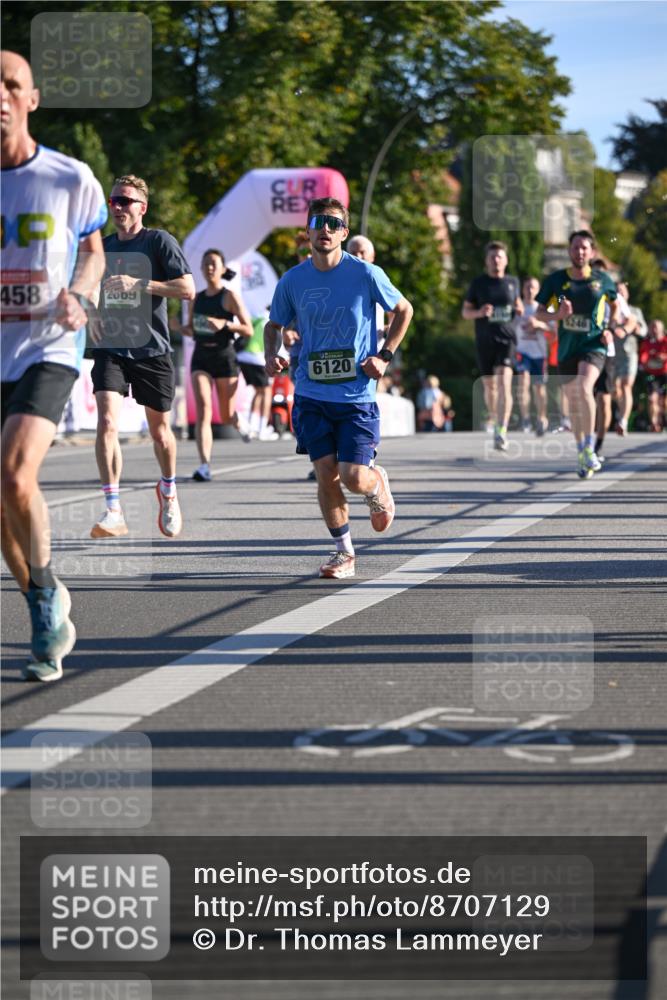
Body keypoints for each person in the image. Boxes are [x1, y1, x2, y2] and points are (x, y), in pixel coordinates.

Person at [1, 50, 107, 681]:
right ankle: (43, 598)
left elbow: (94, 251)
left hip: (49, 345)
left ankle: (43, 596)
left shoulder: (69, 177)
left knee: (15, 475)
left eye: (11, 84)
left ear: (31, 99)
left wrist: (82, 294)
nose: (0, 94)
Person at [264, 197, 413, 579]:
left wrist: (384, 356)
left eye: (333, 224)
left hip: (355, 395)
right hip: (311, 394)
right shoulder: (293, 280)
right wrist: (271, 354)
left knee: (353, 476)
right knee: (325, 473)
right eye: (319, 222)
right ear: (308, 230)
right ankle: (344, 552)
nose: (325, 230)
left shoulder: (365, 273)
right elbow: (273, 325)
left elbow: (404, 310)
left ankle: (376, 485)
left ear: (344, 233)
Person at [90, 174, 195, 536]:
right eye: (113, 201)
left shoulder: (158, 241)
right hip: (111, 347)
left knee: (161, 433)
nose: (118, 207)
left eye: (125, 201)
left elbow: (187, 288)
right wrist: (90, 313)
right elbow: (88, 287)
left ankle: (168, 488)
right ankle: (113, 509)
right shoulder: (102, 247)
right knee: (106, 422)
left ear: (142, 207)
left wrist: (141, 284)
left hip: (152, 349)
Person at [535, 231, 618, 479]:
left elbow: (615, 305)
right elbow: (540, 312)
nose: (579, 252)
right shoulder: (557, 281)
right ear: (569, 251)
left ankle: (590, 447)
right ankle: (582, 448)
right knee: (573, 401)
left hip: (594, 344)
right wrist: (558, 315)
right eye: (575, 247)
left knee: (584, 387)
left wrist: (610, 329)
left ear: (592, 252)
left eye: (584, 248)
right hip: (567, 348)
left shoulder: (602, 280)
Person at [180, 249, 253, 481]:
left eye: (214, 263)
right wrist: (178, 327)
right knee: (203, 409)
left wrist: (225, 324)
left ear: (222, 269)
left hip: (224, 356)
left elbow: (248, 329)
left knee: (226, 415)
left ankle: (238, 421)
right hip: (201, 355)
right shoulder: (196, 298)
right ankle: (204, 466)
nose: (210, 267)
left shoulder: (229, 296)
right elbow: (192, 329)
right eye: (206, 264)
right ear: (201, 269)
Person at [462, 241, 523, 451]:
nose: (496, 260)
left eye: (500, 256)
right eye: (492, 257)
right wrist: (479, 313)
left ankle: (502, 429)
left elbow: (518, 305)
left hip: (507, 339)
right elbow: (465, 312)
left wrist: (520, 310)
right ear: (486, 261)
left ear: (506, 260)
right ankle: (496, 420)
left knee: (504, 382)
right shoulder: (478, 284)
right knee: (490, 386)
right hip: (485, 340)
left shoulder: (513, 282)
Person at [514, 277, 550, 436]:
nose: (530, 290)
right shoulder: (517, 308)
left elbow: (553, 330)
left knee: (539, 388)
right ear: (522, 289)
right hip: (522, 351)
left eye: (533, 287)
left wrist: (538, 324)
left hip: (539, 354)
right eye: (527, 287)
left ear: (538, 290)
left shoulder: (541, 309)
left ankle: (541, 418)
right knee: (523, 382)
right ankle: (526, 418)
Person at [236, 311, 279, 441]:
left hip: (243, 357)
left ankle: (252, 427)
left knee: (259, 391)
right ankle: (262, 429)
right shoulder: (270, 321)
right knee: (266, 391)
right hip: (256, 358)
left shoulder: (258, 317)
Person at [613, 281, 646, 436]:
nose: (620, 293)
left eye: (622, 290)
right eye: (617, 290)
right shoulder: (610, 309)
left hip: (629, 353)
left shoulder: (635, 311)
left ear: (627, 293)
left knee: (626, 385)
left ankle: (623, 421)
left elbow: (643, 331)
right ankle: (621, 412)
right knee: (615, 389)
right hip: (613, 354)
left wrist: (634, 327)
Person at [638, 319, 667, 432]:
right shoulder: (646, 342)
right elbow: (642, 357)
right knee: (652, 399)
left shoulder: (665, 341)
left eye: (656, 327)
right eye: (652, 327)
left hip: (665, 373)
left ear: (661, 329)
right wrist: (645, 362)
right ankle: (654, 424)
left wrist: (663, 356)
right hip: (652, 375)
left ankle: (662, 419)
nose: (654, 330)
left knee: (664, 401)